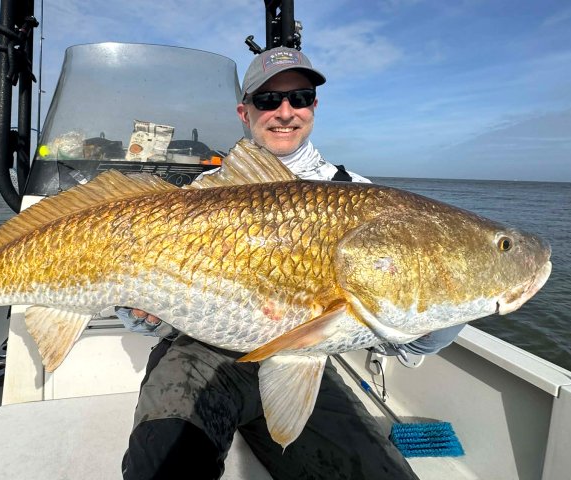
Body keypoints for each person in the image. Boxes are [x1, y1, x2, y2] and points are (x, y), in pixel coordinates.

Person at [118, 47, 464, 479]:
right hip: (201, 356)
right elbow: (136, 301)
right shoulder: (200, 194)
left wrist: (440, 319)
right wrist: (143, 314)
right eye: (268, 100)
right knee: (162, 466)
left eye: (298, 98)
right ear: (245, 113)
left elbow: (396, 337)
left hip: (309, 357)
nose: (285, 112)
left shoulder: (359, 195)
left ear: (313, 107)